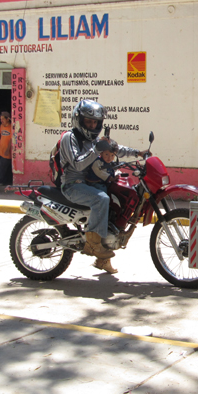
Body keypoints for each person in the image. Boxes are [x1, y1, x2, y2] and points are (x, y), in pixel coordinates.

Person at [59, 100, 147, 274]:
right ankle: (92, 245)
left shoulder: (93, 140)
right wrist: (97, 150)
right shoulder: (69, 138)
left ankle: (103, 259)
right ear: (79, 120)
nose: (92, 125)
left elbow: (114, 149)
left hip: (90, 184)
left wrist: (138, 153)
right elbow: (77, 164)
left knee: (114, 206)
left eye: (95, 122)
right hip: (73, 185)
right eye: (88, 122)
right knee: (101, 199)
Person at [0, 112, 13, 186]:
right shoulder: (1, 126)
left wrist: (8, 149)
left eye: (3, 119)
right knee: (0, 166)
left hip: (6, 151)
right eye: (0, 119)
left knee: (3, 167)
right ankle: (2, 181)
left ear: (8, 119)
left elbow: (11, 139)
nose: (1, 120)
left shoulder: (11, 127)